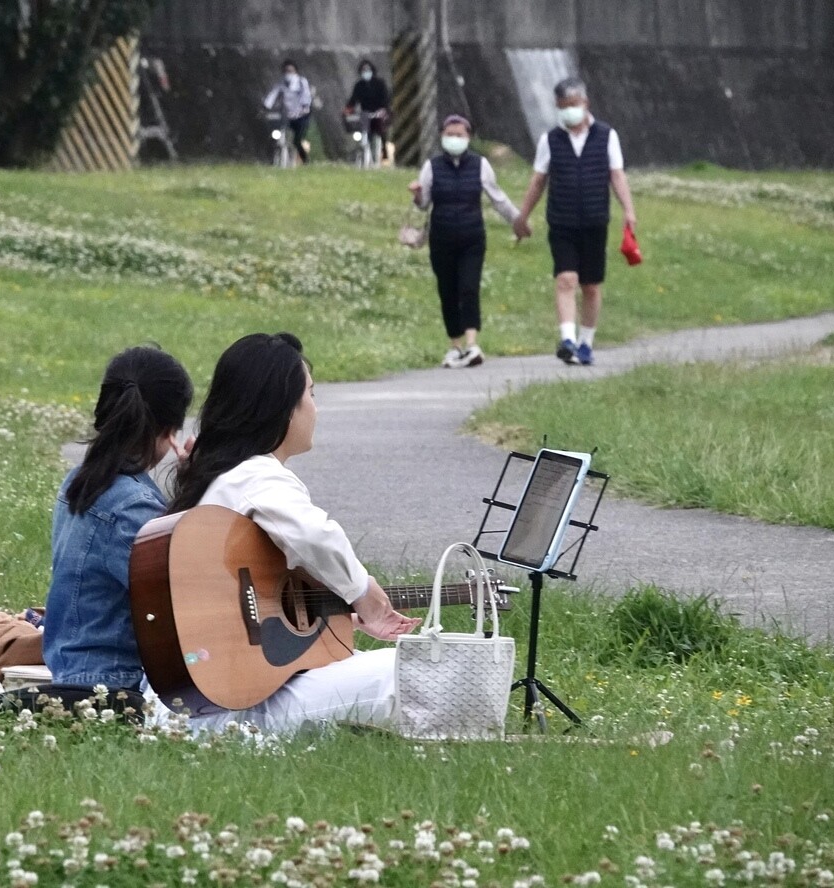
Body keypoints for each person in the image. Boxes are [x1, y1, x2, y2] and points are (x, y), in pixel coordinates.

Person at [163, 332, 420, 732]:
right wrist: (363, 594)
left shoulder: (220, 472)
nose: (316, 409)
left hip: (198, 696)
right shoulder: (257, 474)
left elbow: (250, 607)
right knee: (413, 669)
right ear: (284, 408)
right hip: (230, 713)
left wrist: (331, 608)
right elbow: (315, 535)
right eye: (312, 395)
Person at [42, 346, 194, 696]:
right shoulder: (134, 506)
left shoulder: (79, 479)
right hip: (115, 683)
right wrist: (195, 489)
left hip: (72, 669)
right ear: (170, 430)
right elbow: (178, 599)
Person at [512, 76, 637, 366]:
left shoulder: (607, 136)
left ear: (585, 103)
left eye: (574, 104)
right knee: (566, 278)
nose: (569, 110)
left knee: (591, 285)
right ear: (557, 107)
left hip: (595, 220)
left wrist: (628, 210)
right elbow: (538, 180)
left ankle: (586, 343)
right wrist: (523, 215)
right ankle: (567, 338)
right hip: (562, 220)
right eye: (563, 106)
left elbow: (616, 175)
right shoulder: (550, 140)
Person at [408, 115, 522, 369]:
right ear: (442, 136)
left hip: (472, 238)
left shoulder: (481, 165)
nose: (455, 139)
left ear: (469, 137)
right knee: (447, 291)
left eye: (460, 134)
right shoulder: (432, 166)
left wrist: (518, 220)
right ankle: (455, 346)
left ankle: (472, 344)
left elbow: (498, 198)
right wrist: (417, 195)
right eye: (450, 134)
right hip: (441, 238)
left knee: (469, 289)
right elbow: (424, 203)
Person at [263, 60, 314, 165]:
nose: (288, 73)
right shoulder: (281, 84)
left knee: (297, 140)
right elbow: (272, 95)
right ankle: (273, 159)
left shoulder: (301, 82)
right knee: (275, 136)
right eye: (286, 71)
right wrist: (265, 106)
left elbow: (306, 95)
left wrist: (305, 107)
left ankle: (305, 160)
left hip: (301, 115)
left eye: (290, 71)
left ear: (296, 71)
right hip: (286, 116)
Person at [343, 58, 391, 161]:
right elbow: (353, 100)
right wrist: (348, 109)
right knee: (365, 135)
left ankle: (383, 150)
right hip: (366, 114)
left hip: (379, 113)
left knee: (380, 132)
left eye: (367, 70)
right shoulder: (359, 86)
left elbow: (386, 98)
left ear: (372, 71)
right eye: (363, 71)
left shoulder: (379, 84)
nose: (366, 73)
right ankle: (365, 156)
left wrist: (383, 110)